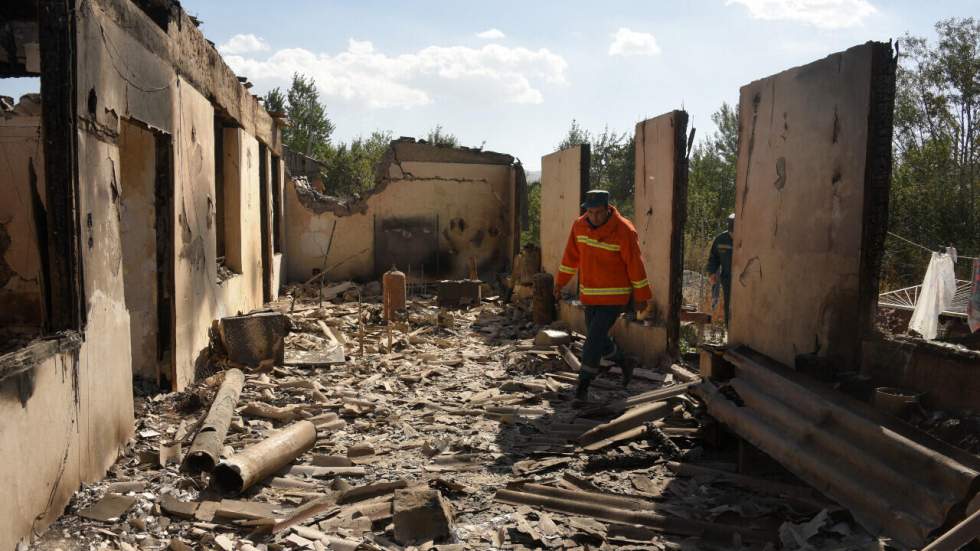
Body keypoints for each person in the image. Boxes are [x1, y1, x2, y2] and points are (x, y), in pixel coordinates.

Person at [553, 190, 652, 401]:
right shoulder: (579, 226)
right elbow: (570, 258)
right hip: (590, 295)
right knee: (598, 339)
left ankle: (583, 386)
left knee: (593, 340)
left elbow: (635, 265)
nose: (594, 217)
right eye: (590, 212)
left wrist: (642, 296)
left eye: (599, 212)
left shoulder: (624, 230)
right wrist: (560, 282)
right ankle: (624, 361)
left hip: (615, 296)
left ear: (608, 209)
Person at [706, 213, 735, 326]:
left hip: (745, 282)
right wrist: (712, 272)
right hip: (727, 280)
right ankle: (730, 331)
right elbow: (714, 257)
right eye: (732, 233)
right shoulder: (721, 240)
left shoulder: (748, 238)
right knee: (729, 307)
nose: (733, 235)